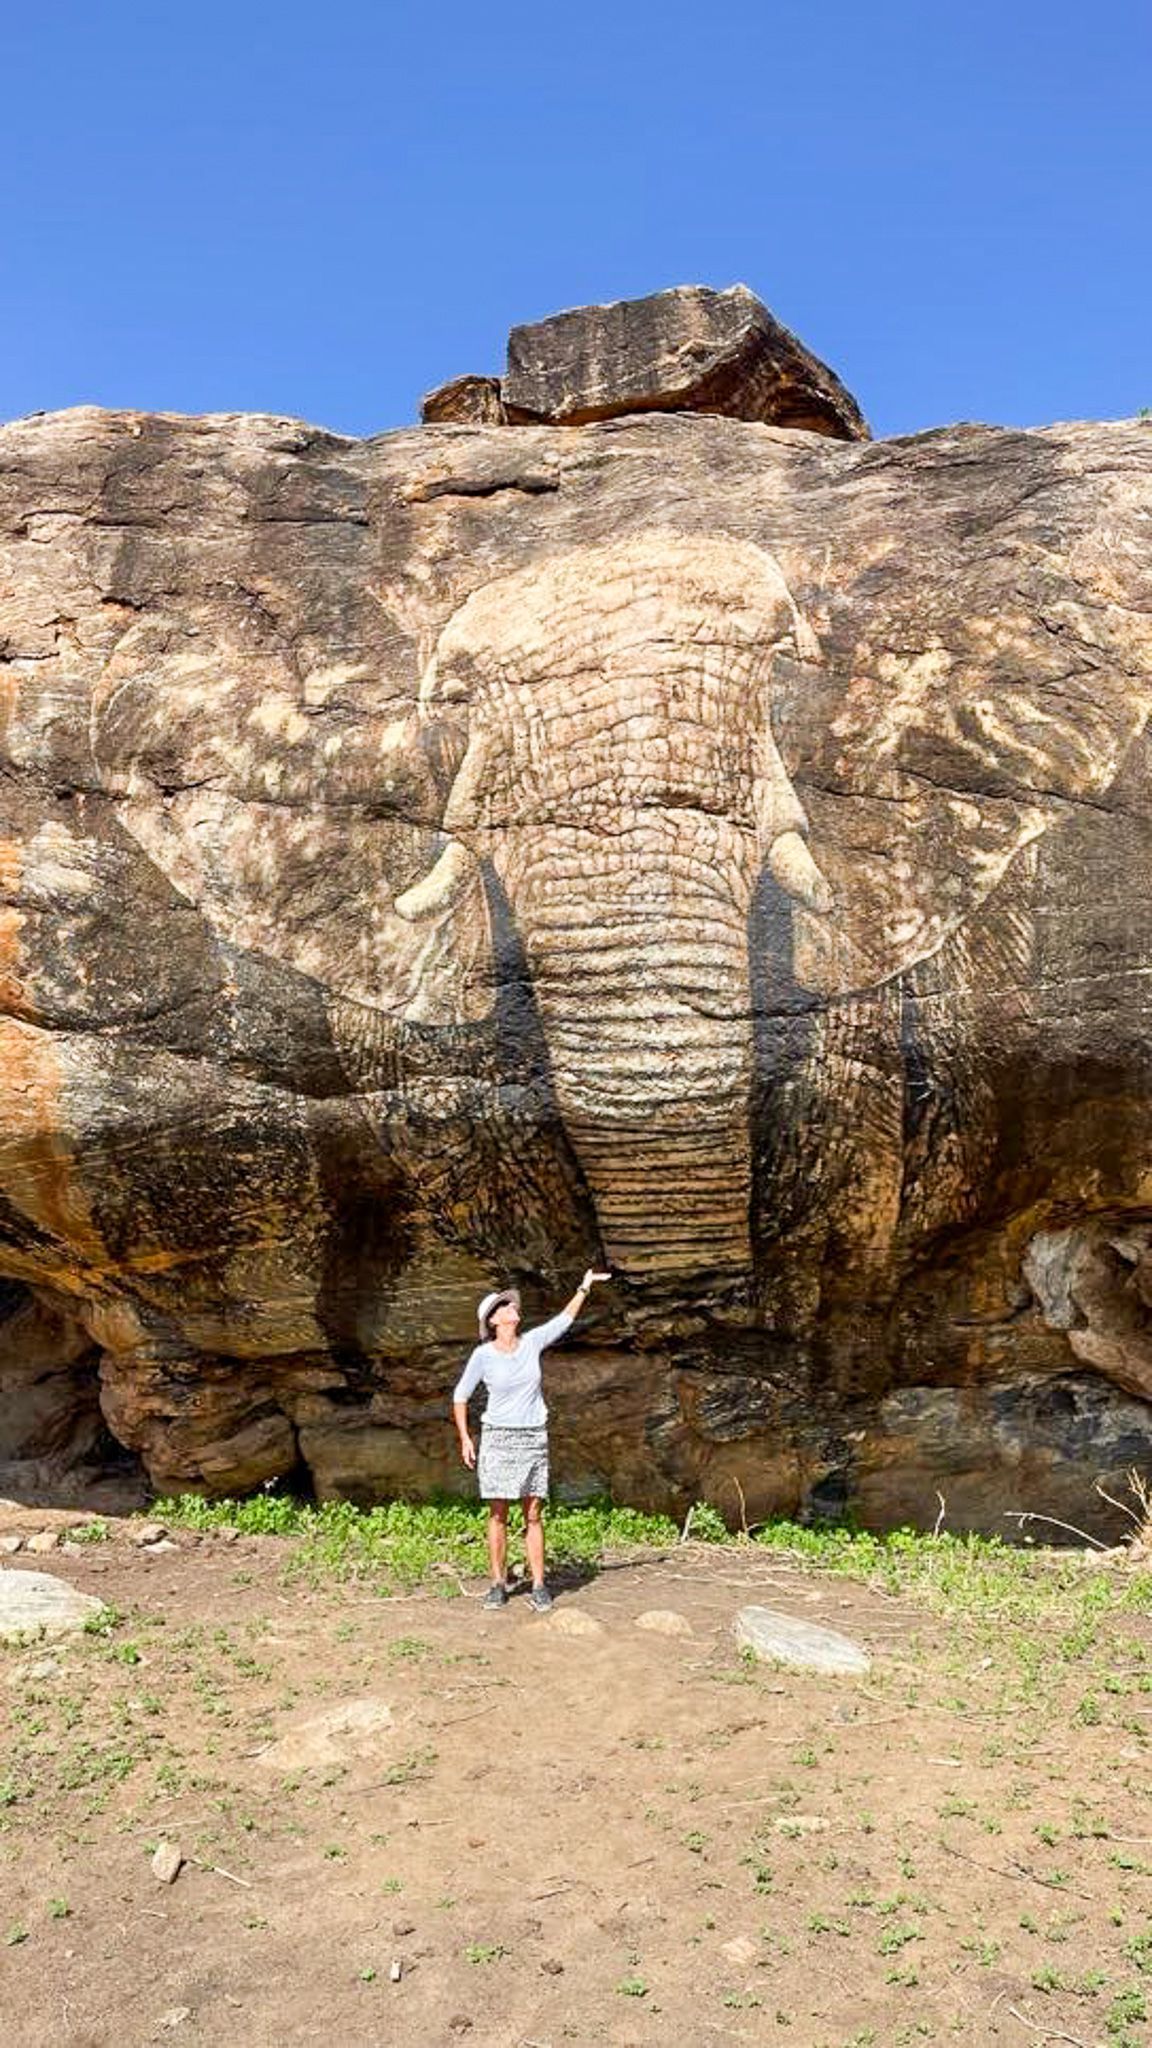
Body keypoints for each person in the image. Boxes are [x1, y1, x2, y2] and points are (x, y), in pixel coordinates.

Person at [452, 1269, 610, 1611]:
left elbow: (564, 1320)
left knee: (533, 1514)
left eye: (510, 1304)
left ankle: (539, 1584)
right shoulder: (483, 1356)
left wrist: (584, 1286)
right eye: (504, 1306)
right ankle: (497, 1583)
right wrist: (466, 1438)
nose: (512, 1308)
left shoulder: (532, 1343)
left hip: (532, 1438)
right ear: (494, 1320)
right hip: (497, 1439)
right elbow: (460, 1396)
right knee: (497, 1514)